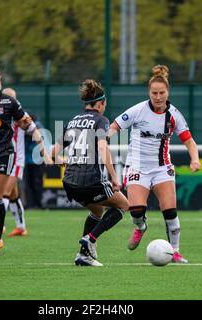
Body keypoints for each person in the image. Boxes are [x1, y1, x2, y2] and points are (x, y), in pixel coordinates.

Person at [109, 65, 201, 263]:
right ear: (148, 93)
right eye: (154, 93)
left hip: (162, 168)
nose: (158, 97)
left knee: (170, 213)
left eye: (162, 93)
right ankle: (140, 227)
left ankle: (175, 252)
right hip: (137, 167)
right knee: (136, 211)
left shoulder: (174, 115)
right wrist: (103, 138)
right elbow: (114, 127)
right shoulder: (138, 110)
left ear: (168, 92)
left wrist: (195, 159)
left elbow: (189, 141)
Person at [0, 63, 51, 253]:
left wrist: (45, 152)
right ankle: (5, 225)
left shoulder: (10, 104)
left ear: (0, 80)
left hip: (9, 155)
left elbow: (31, 127)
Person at [51, 79, 129, 267]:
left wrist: (62, 161)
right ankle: (91, 239)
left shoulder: (74, 121)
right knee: (123, 205)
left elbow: (53, 152)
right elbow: (103, 148)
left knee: (97, 210)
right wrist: (114, 177)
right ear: (101, 103)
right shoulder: (101, 120)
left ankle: (83, 256)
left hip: (69, 183)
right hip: (90, 181)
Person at [1, 87, 28, 237]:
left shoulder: (20, 114)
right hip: (4, 159)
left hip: (17, 161)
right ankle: (21, 227)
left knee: (4, 193)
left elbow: (33, 128)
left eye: (11, 98)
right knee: (13, 195)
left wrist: (44, 150)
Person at [23, 113, 46, 209]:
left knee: (37, 182)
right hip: (27, 160)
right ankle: (31, 203)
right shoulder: (23, 127)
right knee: (29, 183)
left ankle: (39, 203)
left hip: (37, 160)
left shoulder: (37, 125)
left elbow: (38, 134)